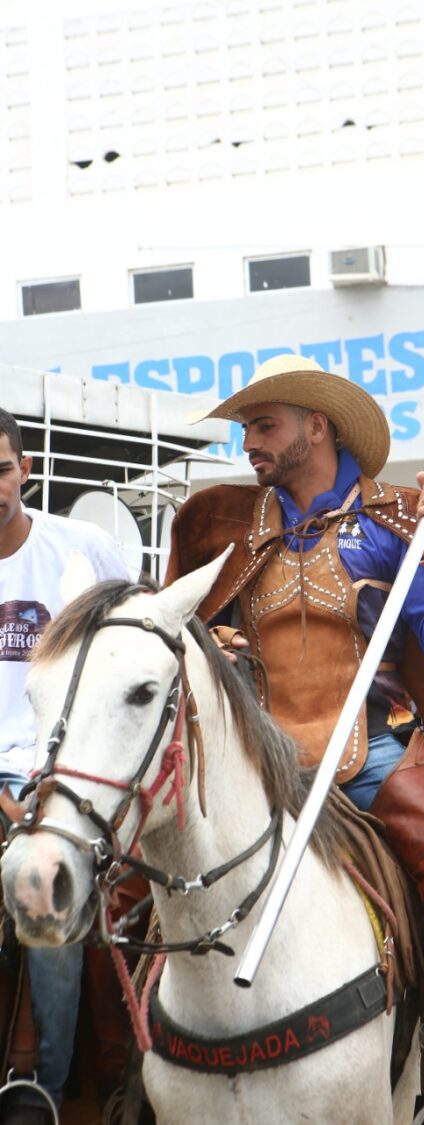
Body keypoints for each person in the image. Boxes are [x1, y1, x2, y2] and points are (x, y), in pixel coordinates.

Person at [165, 353, 424, 1125]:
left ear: (317, 426)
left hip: (376, 750)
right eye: (246, 429)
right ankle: (122, 1075)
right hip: (260, 764)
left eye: (264, 426)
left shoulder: (394, 520)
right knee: (132, 874)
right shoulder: (236, 534)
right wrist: (214, 647)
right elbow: (187, 642)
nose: (248, 444)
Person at [0, 407, 130, 1124]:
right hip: (2, 783)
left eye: (0, 469)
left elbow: (135, 636)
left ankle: (44, 1087)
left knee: (45, 896)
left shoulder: (82, 547)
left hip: (70, 770)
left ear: (25, 469)